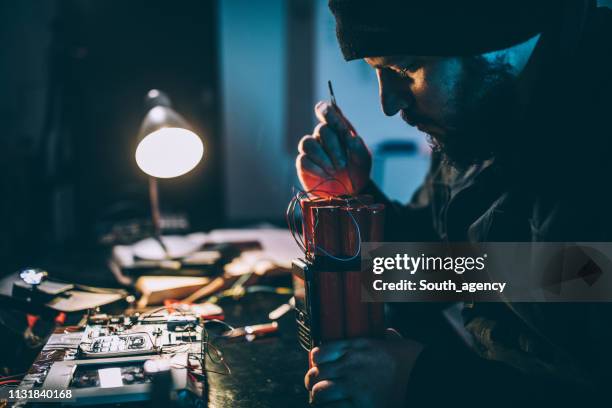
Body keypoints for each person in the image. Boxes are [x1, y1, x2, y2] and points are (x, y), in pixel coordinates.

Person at [296, 0, 612, 406]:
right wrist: (358, 196)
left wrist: (423, 383)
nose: (388, 104)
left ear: (494, 33)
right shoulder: (484, 118)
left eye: (404, 69)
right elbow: (447, 267)